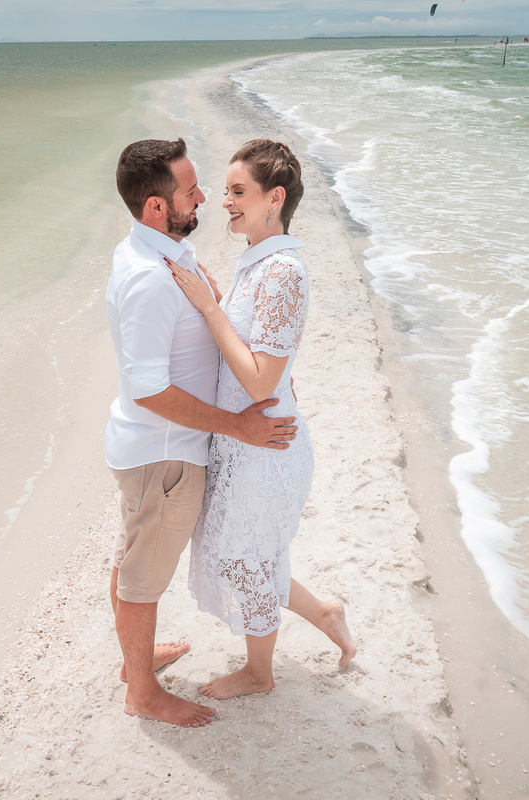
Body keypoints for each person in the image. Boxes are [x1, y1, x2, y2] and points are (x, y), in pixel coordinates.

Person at [105, 137, 299, 727]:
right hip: (164, 453)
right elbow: (149, 389)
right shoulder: (147, 276)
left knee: (136, 555)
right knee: (143, 578)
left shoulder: (167, 251)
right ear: (158, 207)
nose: (205, 198)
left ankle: (135, 660)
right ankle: (142, 689)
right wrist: (235, 425)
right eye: (191, 191)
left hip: (161, 451)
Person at [165, 139, 356, 701]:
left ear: (274, 198)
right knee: (247, 552)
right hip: (247, 438)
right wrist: (217, 302)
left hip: (266, 445)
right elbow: (267, 358)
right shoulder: (256, 264)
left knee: (249, 559)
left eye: (238, 191)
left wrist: (207, 307)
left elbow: (259, 380)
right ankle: (324, 611)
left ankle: (259, 673)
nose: (225, 201)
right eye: (224, 190)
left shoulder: (283, 272)